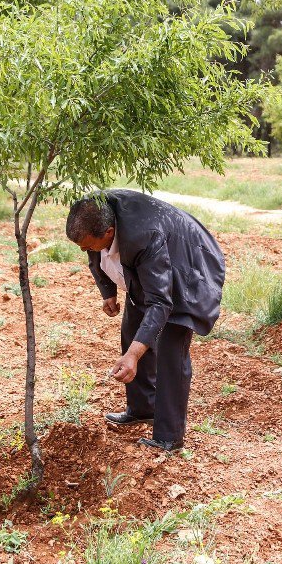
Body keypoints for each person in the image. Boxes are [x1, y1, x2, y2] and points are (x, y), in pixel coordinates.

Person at [66, 190, 225, 452]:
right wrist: (108, 291)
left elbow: (161, 302)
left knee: (171, 349)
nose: (85, 251)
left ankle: (169, 436)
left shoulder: (142, 236)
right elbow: (95, 254)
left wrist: (133, 356)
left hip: (188, 265)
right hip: (155, 263)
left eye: (87, 245)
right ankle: (142, 408)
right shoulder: (93, 212)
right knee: (133, 330)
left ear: (108, 232)